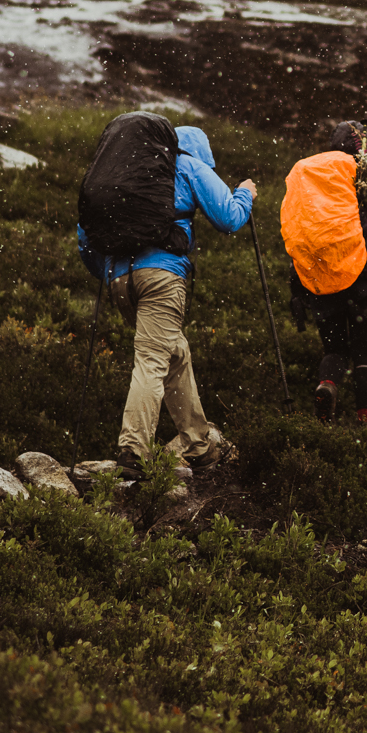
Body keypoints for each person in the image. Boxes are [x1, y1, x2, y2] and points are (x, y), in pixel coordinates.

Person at [77, 123, 254, 474]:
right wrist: (244, 194)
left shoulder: (129, 175)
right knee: (152, 360)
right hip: (162, 277)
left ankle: (198, 442)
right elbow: (229, 219)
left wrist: (111, 273)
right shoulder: (187, 165)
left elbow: (86, 236)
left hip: (120, 279)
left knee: (175, 352)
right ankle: (133, 451)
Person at [280, 120, 367, 423]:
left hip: (319, 274)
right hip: (364, 275)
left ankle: (327, 386)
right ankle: (364, 418)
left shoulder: (308, 172)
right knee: (363, 350)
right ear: (364, 146)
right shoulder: (365, 172)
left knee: (334, 348)